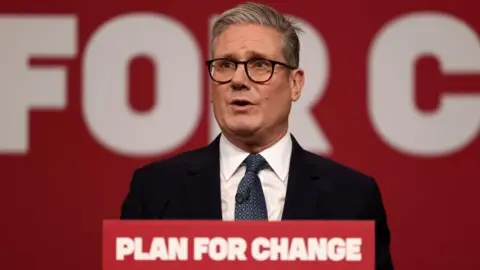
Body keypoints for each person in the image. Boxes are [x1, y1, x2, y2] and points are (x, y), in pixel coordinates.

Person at [120, 2, 394, 269]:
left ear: (295, 84)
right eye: (225, 65)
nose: (238, 80)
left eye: (260, 64)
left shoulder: (353, 198)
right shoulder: (154, 190)